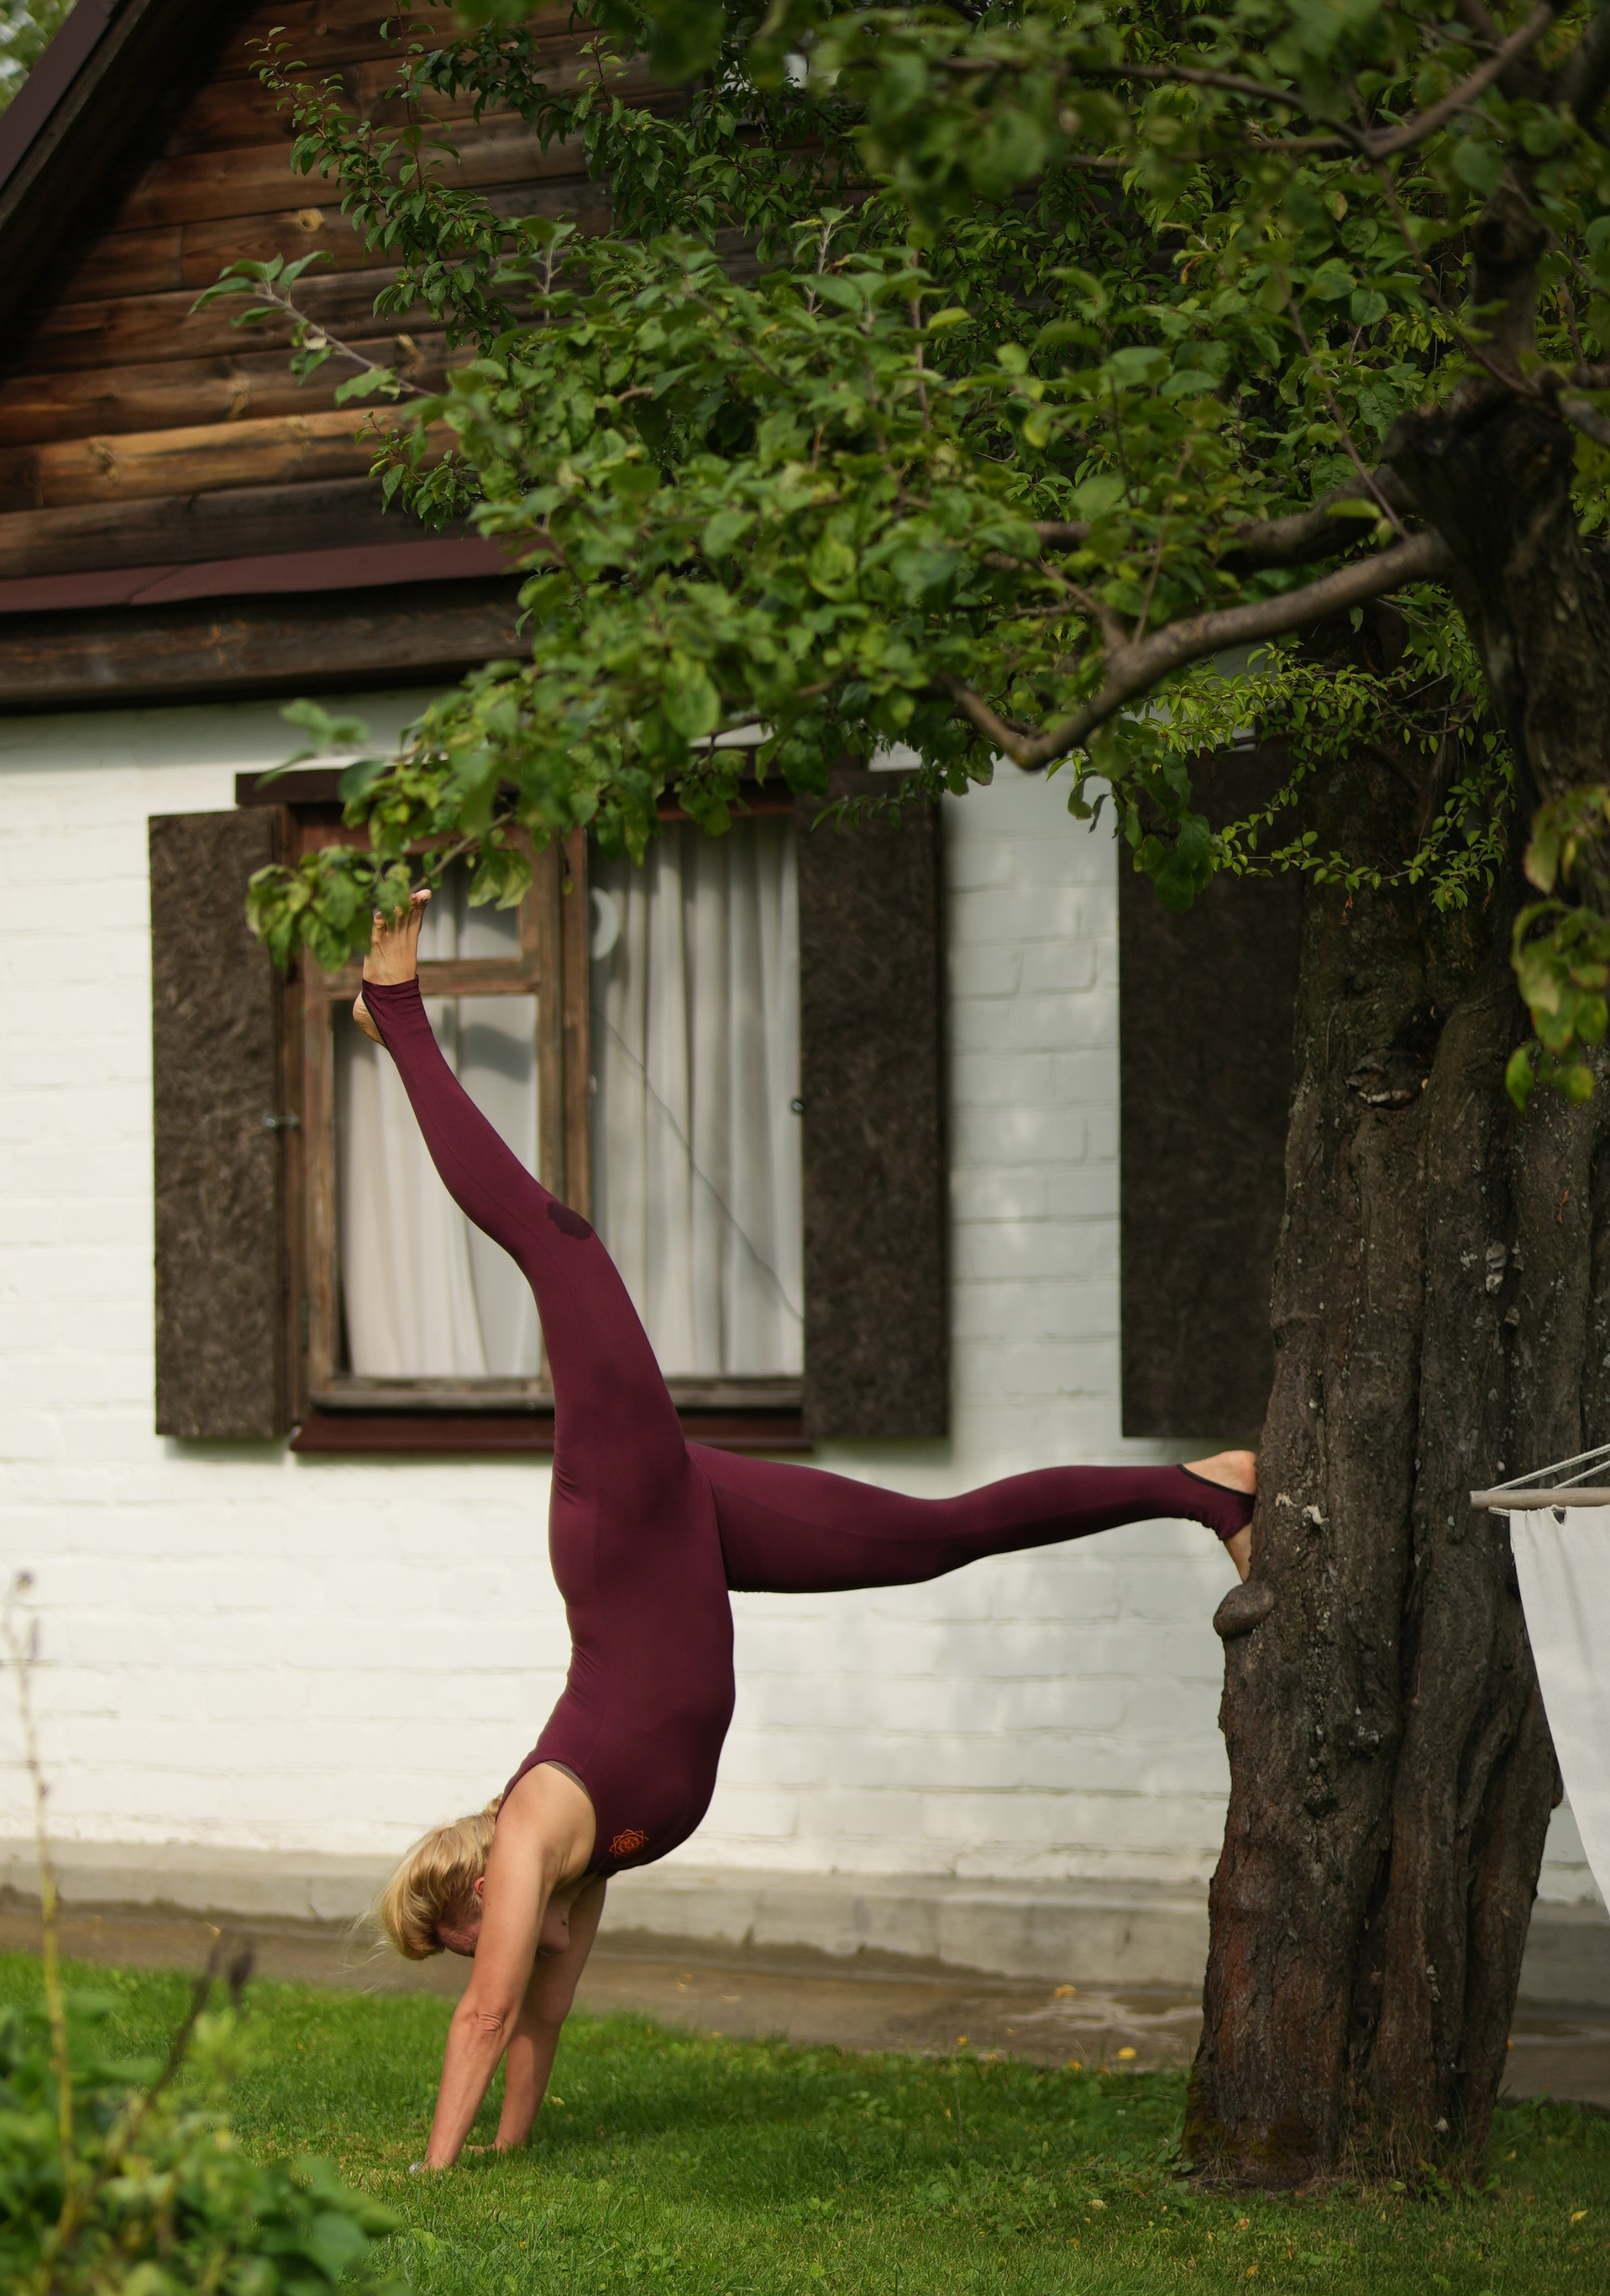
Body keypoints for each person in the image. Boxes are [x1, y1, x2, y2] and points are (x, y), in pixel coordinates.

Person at [357, 895, 1256, 2172]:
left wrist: (431, 2180)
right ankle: (1209, 1491)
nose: (474, 1953)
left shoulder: (527, 1836)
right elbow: (541, 2021)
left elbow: (490, 2013)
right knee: (936, 1536)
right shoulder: (579, 1871)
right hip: (682, 1532)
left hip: (624, 1518)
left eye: (448, 1938)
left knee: (561, 1251)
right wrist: (504, 2153)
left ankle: (396, 1013)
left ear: (469, 1901)